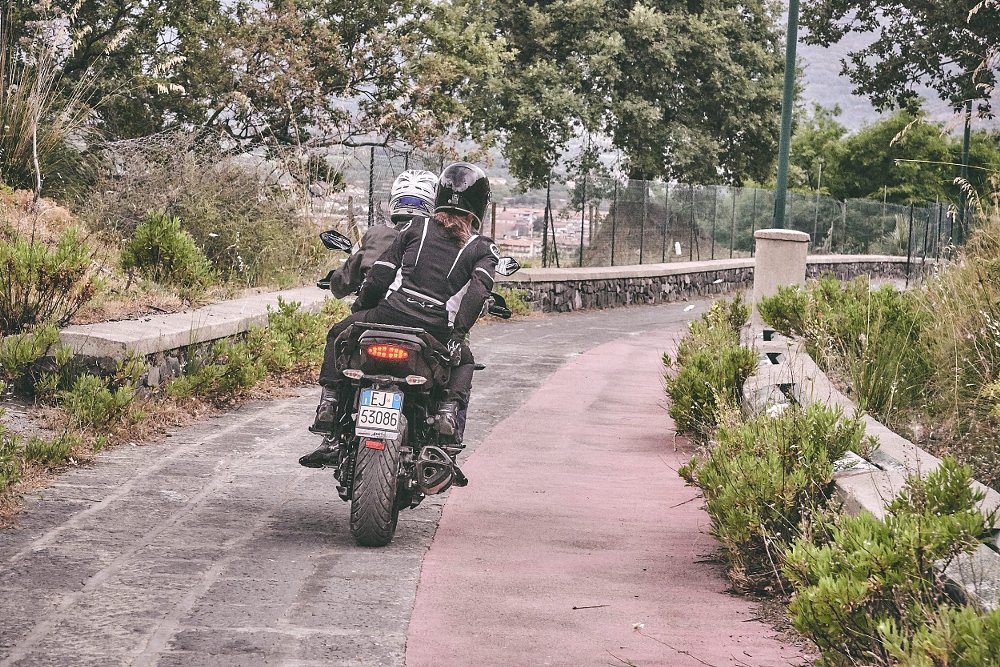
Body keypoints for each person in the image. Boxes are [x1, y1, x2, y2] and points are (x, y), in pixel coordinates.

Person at [300, 162, 499, 469]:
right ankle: (447, 414)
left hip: (387, 315)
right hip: (435, 330)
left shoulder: (413, 229)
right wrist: (457, 336)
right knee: (466, 362)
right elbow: (477, 294)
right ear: (479, 207)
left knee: (338, 333)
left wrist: (362, 312)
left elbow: (380, 274)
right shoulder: (482, 249)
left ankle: (330, 403)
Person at [325, 169, 438, 298]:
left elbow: (340, 284)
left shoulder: (377, 234)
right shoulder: (441, 245)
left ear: (394, 200)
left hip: (373, 312)